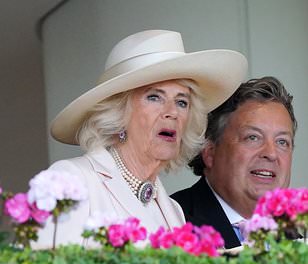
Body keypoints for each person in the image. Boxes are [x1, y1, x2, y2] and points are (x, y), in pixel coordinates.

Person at [34, 29, 247, 248]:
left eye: (181, 102)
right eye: (154, 97)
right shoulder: (72, 180)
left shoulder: (173, 212)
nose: (172, 112)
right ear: (119, 112)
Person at [171, 76, 297, 249]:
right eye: (253, 137)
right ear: (209, 151)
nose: (271, 153)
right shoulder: (171, 222)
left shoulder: (296, 235)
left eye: (282, 141)